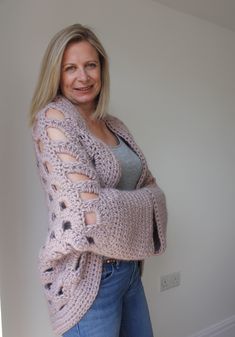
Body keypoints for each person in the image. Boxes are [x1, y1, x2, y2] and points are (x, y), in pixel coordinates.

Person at [29, 23, 167, 337]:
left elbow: (153, 187)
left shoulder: (115, 125)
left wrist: (130, 200)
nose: (83, 77)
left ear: (101, 69)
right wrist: (147, 203)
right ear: (57, 74)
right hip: (88, 278)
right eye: (70, 68)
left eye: (90, 65)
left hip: (130, 270)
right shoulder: (53, 120)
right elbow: (86, 213)